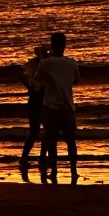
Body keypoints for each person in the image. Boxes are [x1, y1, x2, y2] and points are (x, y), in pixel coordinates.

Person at [34, 31, 81, 184]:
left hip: (50, 106)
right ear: (65, 45)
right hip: (67, 106)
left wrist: (43, 57)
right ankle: (74, 170)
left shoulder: (45, 63)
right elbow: (76, 81)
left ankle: (54, 170)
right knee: (70, 140)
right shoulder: (71, 62)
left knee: (51, 140)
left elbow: (38, 80)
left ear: (52, 45)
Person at [18, 42, 50, 181]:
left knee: (39, 130)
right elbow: (20, 74)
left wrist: (28, 87)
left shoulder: (42, 64)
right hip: (39, 98)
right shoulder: (37, 64)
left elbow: (20, 74)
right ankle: (35, 157)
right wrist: (29, 87)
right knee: (38, 130)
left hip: (39, 98)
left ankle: (37, 157)